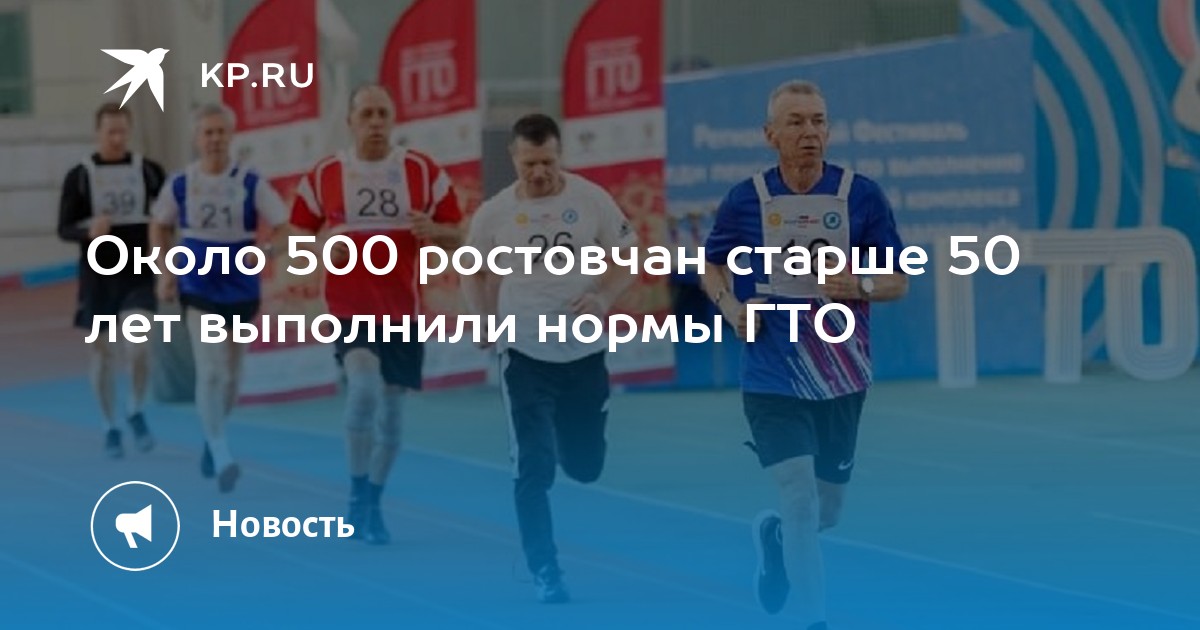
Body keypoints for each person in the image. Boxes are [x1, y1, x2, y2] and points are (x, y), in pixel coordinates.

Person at [700, 80, 909, 629]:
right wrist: (732, 307)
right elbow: (711, 265)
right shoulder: (746, 199)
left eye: (818, 121)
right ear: (770, 135)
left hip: (841, 374)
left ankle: (775, 539)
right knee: (799, 499)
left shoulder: (862, 195)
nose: (809, 131)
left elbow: (898, 279)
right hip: (771, 372)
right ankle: (815, 619)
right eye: (795, 122)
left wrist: (858, 284)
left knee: (827, 511)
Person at [461, 114, 637, 604]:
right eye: (529, 164)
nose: (539, 172)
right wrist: (481, 318)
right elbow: (471, 270)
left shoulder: (590, 199)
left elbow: (629, 256)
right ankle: (545, 569)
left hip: (583, 355)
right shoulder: (495, 213)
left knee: (585, 467)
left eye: (547, 162)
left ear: (560, 155)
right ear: (514, 159)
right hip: (524, 355)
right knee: (532, 468)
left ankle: (560, 435)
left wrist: (602, 297)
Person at [290, 84, 463, 544]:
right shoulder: (326, 172)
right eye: (366, 113)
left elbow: (458, 232)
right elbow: (296, 235)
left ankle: (373, 500)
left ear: (394, 119)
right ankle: (355, 492)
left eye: (383, 113)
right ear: (350, 121)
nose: (375, 123)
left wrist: (435, 230)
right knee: (363, 387)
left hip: (402, 311)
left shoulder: (421, 170)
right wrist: (320, 247)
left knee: (392, 420)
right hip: (350, 307)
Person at [149, 103, 290, 493]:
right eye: (207, 133)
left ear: (231, 136)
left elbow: (283, 226)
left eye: (220, 132)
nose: (214, 139)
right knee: (210, 370)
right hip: (199, 283)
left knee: (231, 375)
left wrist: (266, 252)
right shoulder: (181, 183)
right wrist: (165, 270)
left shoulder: (250, 182)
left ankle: (213, 436)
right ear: (196, 139)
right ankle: (222, 451)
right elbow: (159, 226)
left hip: (240, 283)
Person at [58, 102, 167, 459]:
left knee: (139, 347)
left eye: (123, 131)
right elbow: (63, 228)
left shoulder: (149, 171)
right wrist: (88, 230)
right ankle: (110, 426)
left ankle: (135, 407)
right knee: (101, 353)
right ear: (98, 133)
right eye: (111, 132)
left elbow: (169, 215)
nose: (118, 139)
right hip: (98, 278)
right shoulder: (80, 176)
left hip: (138, 273)